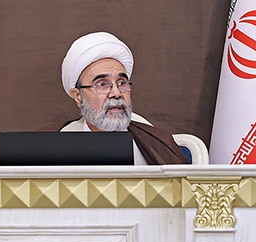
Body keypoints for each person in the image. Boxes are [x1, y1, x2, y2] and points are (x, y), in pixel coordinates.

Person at [60, 32, 187, 165]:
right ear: (78, 96)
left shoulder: (152, 141)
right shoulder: (62, 144)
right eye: (102, 84)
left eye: (121, 83)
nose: (116, 93)